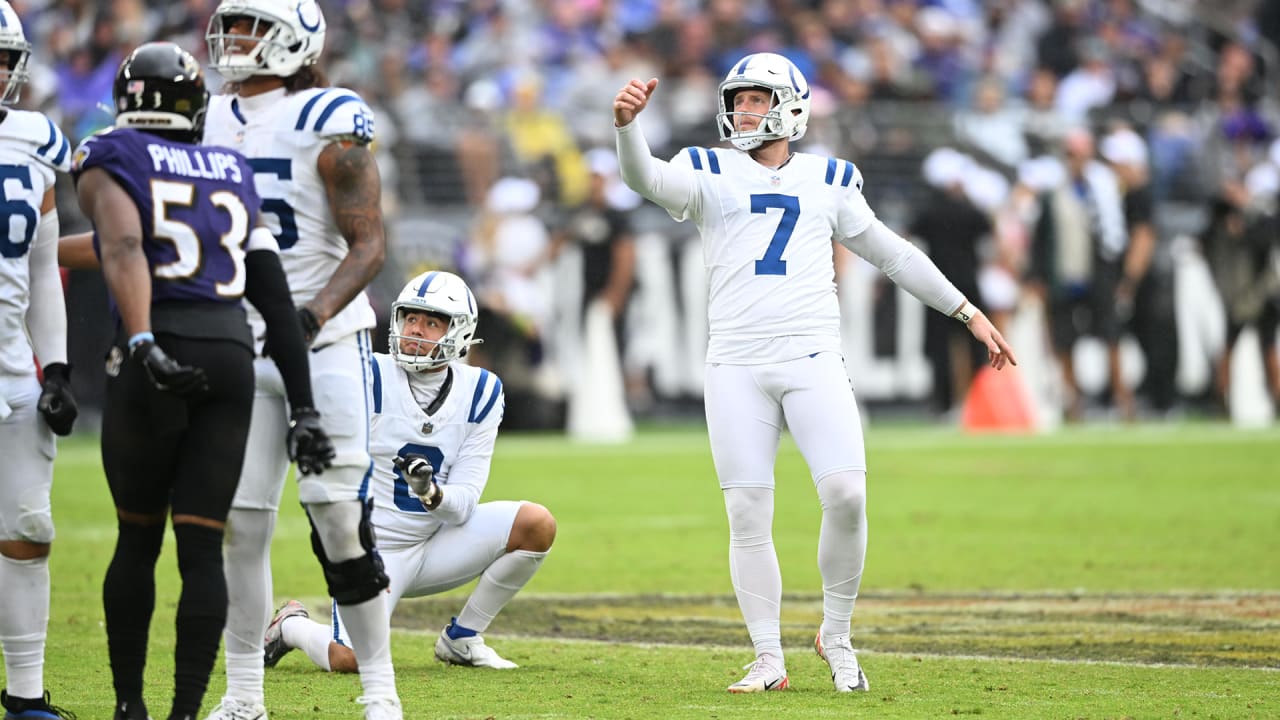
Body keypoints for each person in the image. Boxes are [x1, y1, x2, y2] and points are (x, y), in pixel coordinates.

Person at [612, 53, 1016, 693]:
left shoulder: (829, 178)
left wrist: (966, 311)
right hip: (736, 363)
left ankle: (837, 632)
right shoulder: (708, 169)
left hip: (812, 356)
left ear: (792, 107)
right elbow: (644, 181)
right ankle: (768, 657)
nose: (743, 110)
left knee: (848, 495)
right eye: (737, 99)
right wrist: (627, 128)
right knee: (747, 511)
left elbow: (892, 253)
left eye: (756, 99)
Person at [68, 42, 333, 720]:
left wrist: (142, 339)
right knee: (201, 545)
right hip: (228, 353)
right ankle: (188, 712)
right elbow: (275, 300)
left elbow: (123, 248)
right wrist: (304, 408)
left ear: (128, 101)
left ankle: (131, 707)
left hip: (156, 342)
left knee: (136, 538)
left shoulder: (112, 154)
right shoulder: (230, 167)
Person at [201, 2, 398, 718]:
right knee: (239, 525)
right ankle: (245, 693)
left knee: (339, 520)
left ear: (292, 36)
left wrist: (309, 316)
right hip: (235, 339)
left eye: (250, 24)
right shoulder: (206, 113)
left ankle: (381, 691)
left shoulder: (330, 115)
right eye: (232, 24)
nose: (234, 40)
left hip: (327, 341)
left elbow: (369, 243)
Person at [261, 271, 556, 675]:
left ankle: (462, 638)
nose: (415, 330)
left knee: (536, 524)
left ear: (460, 332)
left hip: (439, 543)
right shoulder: (370, 375)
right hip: (373, 553)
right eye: (410, 318)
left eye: (432, 322)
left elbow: (464, 503)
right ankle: (291, 625)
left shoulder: (483, 390)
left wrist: (431, 492)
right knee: (350, 659)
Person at [0, 3, 78, 719]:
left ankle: (24, 697)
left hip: (12, 371)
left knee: (28, 528)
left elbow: (45, 264)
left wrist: (55, 369)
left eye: (1, 56)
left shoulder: (34, 140)